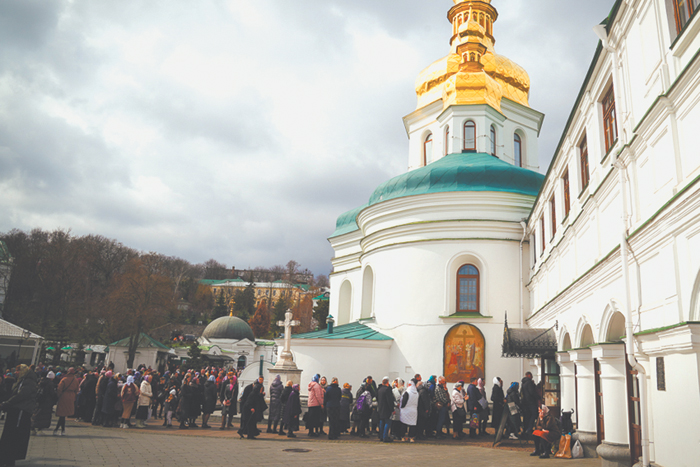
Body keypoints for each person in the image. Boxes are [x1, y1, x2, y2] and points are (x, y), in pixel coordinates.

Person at [0, 365, 37, 467]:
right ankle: (5, 457)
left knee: (13, 435)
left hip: (20, 411)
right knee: (9, 434)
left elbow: (21, 395)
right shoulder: (21, 381)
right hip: (15, 410)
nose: (15, 372)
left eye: (17, 371)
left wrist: (7, 403)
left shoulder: (27, 382)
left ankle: (9, 458)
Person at [54, 367, 79, 435]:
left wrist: (58, 396)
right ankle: (62, 430)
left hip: (63, 396)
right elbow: (77, 390)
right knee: (64, 415)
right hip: (71, 397)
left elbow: (59, 389)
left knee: (62, 414)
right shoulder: (75, 380)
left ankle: (58, 430)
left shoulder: (64, 379)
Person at [32, 371, 56, 435]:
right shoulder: (50, 383)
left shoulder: (41, 381)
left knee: (36, 414)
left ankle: (32, 428)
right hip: (46, 402)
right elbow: (52, 393)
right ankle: (40, 430)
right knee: (44, 416)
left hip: (39, 400)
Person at [377, 376, 394, 442]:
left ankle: (381, 436)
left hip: (381, 408)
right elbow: (389, 401)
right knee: (387, 422)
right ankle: (385, 437)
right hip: (386, 409)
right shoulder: (387, 390)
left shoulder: (379, 390)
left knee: (381, 423)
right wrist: (392, 409)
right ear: (387, 383)